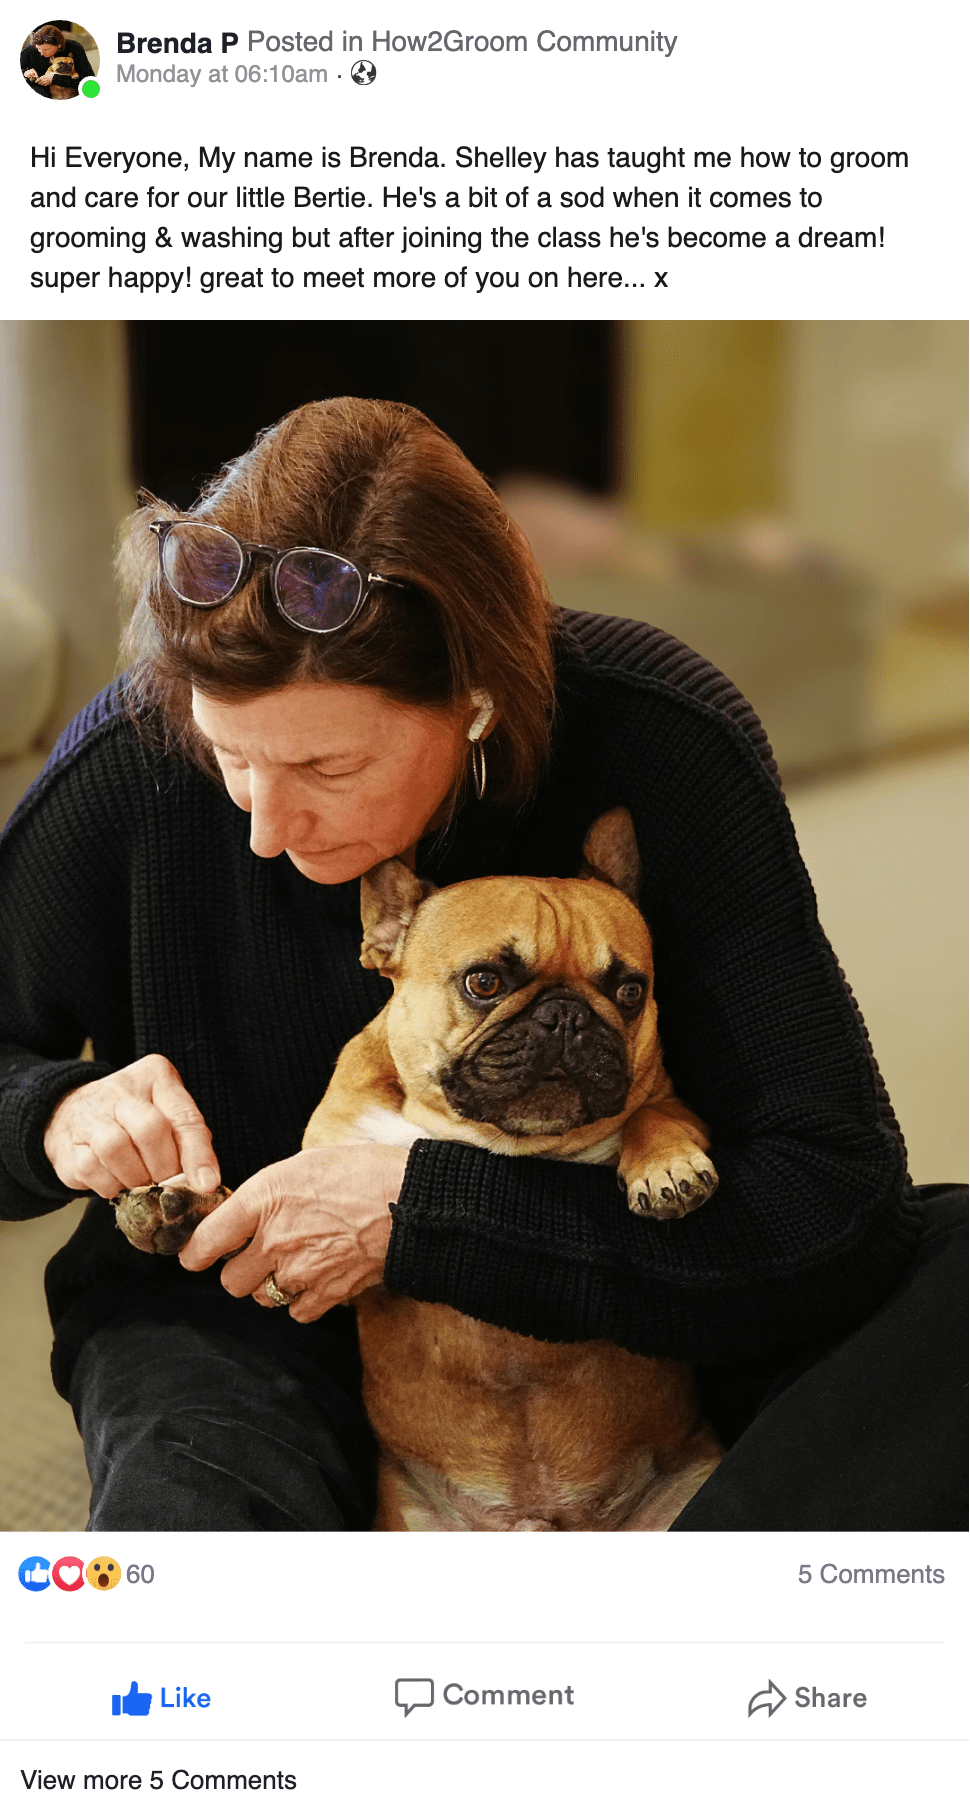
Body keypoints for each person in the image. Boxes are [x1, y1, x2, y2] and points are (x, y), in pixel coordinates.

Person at [0, 398, 964, 1532]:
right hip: (252, 1323)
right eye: (229, 756)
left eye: (328, 766)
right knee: (191, 1527)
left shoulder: (664, 737)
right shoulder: (126, 765)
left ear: (477, 702)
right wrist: (53, 1112)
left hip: (631, 1308)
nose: (263, 826)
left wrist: (428, 1218)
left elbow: (838, 1200)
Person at [21, 24, 94, 96]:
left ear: (59, 45)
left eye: (46, 49)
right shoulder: (30, 49)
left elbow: (88, 80)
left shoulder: (74, 48)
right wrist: (25, 72)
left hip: (70, 91)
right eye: (39, 49)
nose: (42, 54)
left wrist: (55, 79)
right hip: (40, 90)